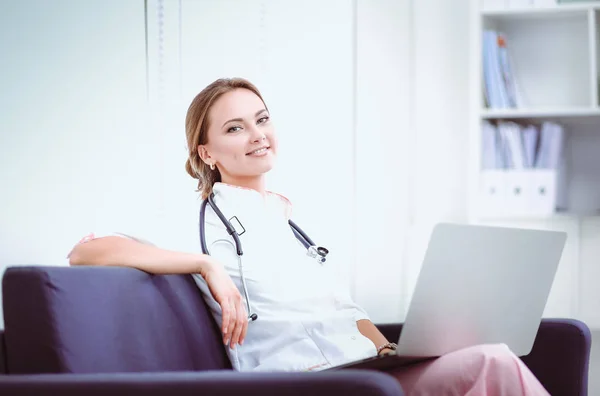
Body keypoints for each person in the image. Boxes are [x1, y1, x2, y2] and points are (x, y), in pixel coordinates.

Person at [68, 77, 550, 395]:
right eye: (235, 128)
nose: (257, 134)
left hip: (363, 371)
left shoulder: (291, 220)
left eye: (262, 119)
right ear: (207, 152)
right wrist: (205, 265)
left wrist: (387, 350)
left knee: (492, 359)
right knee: (492, 365)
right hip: (305, 382)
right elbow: (85, 251)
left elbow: (345, 311)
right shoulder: (196, 216)